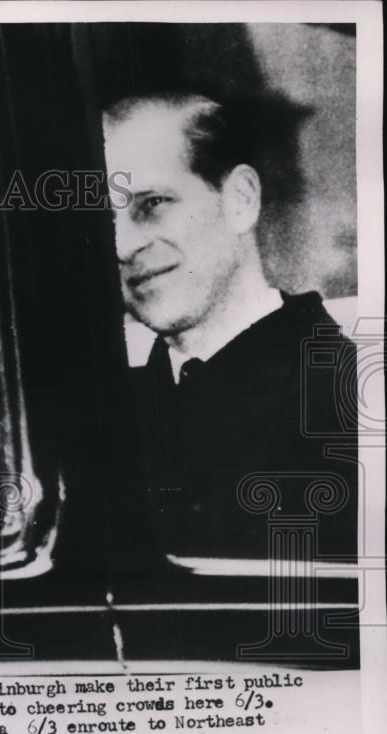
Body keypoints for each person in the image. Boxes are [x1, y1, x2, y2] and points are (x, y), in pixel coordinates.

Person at [102, 92, 357, 561]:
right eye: (101, 219)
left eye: (153, 203)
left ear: (240, 200)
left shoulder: (344, 405)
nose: (122, 245)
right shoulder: (113, 409)